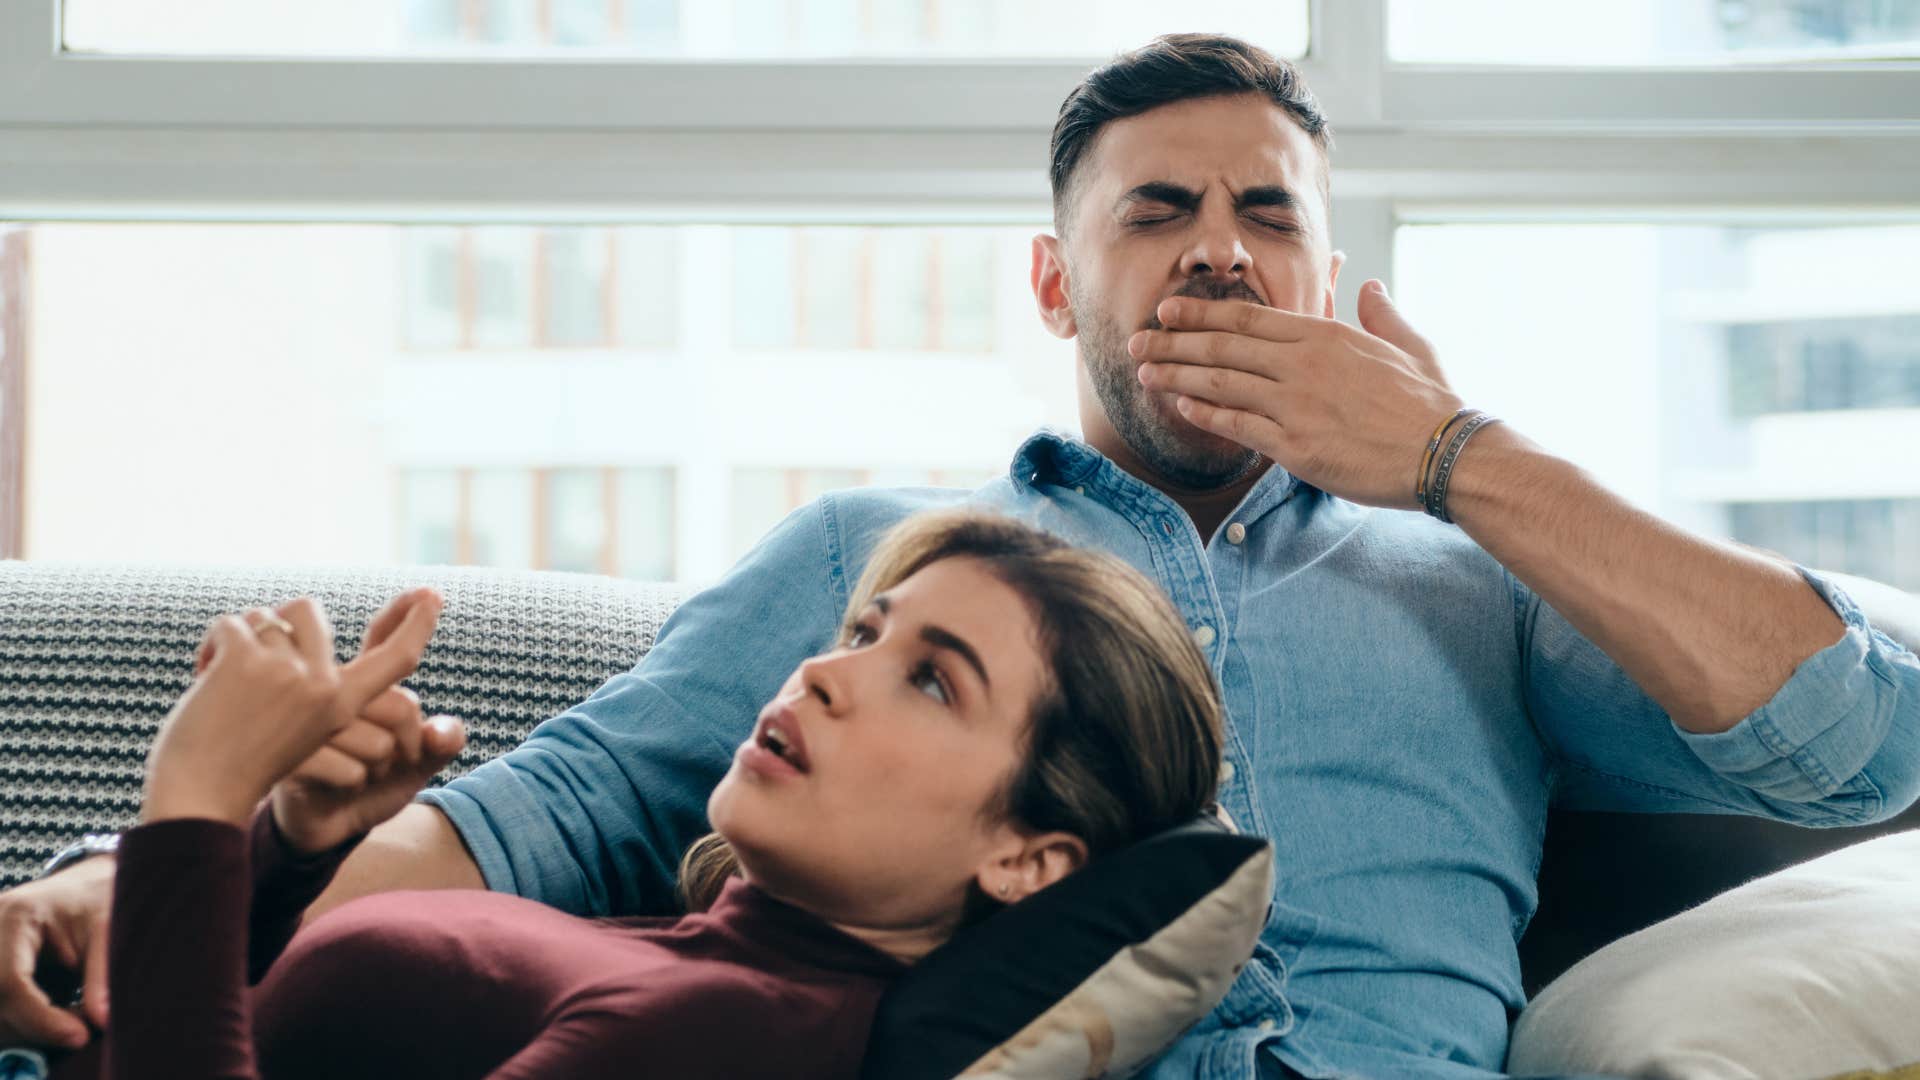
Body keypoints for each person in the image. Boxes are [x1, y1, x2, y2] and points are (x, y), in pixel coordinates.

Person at [5, 31, 1917, 1080]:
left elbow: (1861, 745)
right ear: (1052, 275)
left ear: (1334, 274)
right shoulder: (882, 559)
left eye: (1269, 215)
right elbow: (545, 813)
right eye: (1155, 212)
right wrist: (147, 885)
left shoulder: (1483, 576)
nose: (1220, 252)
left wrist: (1459, 459)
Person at [41, 510, 1223, 1079]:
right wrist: (292, 846)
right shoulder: (715, 959)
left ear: (1029, 857)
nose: (825, 672)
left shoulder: (729, 1035)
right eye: (863, 629)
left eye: (929, 680)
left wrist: (193, 799)